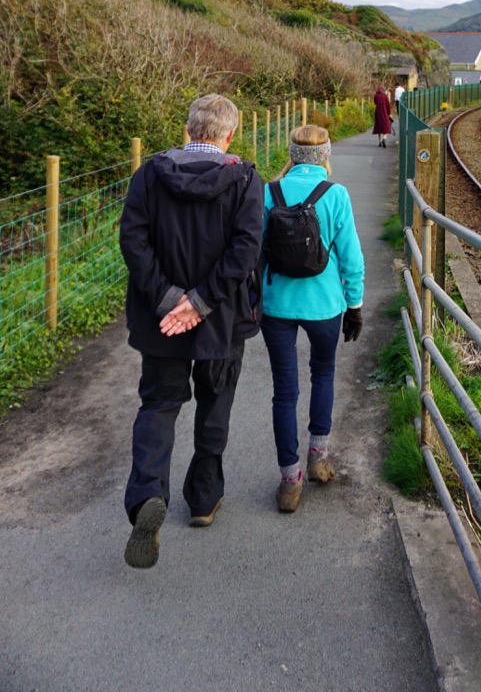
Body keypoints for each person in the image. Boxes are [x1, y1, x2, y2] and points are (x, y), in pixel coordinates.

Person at [119, 93, 264, 569]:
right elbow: (245, 251)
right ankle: (203, 499)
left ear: (188, 130)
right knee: (215, 401)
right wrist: (199, 303)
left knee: (159, 404)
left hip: (160, 319)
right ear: (229, 135)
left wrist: (170, 300)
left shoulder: (149, 174)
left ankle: (146, 497)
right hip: (222, 317)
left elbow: (133, 241)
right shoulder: (245, 179)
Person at [261, 125, 364, 512]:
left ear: (292, 154)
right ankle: (318, 458)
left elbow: (255, 250)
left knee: (283, 391)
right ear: (325, 155)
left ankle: (290, 482)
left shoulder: (269, 192)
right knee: (323, 373)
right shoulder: (336, 195)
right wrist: (354, 305)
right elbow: (351, 258)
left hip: (276, 307)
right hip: (325, 307)